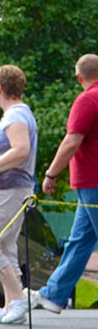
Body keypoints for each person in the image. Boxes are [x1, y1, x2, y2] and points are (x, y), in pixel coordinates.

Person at [29, 53, 98, 314]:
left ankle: (53, 294)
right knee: (79, 241)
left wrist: (51, 174)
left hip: (93, 181)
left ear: (79, 77)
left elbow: (72, 141)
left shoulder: (87, 99)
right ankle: (54, 295)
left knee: (81, 239)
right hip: (90, 184)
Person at [0, 64, 39, 325]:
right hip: (6, 191)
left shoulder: (16, 117)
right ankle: (10, 304)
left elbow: (21, 149)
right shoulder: (17, 114)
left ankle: (18, 299)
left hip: (8, 191)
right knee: (4, 246)